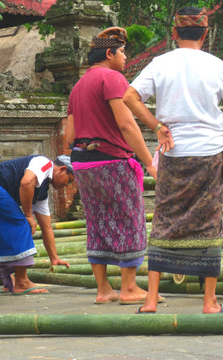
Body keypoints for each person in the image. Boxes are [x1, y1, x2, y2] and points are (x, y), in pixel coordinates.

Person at [124, 7, 223, 314]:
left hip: (173, 151)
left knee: (165, 218)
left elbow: (130, 97)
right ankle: (209, 302)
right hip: (210, 153)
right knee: (209, 221)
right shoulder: (216, 65)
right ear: (205, 34)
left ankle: (151, 299)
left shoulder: (161, 63)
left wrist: (157, 126)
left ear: (174, 33)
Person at [66, 27, 158, 305]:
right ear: (109, 53)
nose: (125, 57)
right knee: (130, 219)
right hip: (113, 163)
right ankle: (129, 288)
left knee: (97, 222)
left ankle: (103, 289)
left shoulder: (78, 86)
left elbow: (69, 137)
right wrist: (150, 163)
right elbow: (127, 124)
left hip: (83, 164)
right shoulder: (113, 78)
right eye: (122, 52)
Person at [0, 155, 72, 294]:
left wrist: (54, 258)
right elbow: (26, 182)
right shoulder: (45, 164)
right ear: (62, 169)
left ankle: (9, 281)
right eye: (69, 180)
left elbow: (46, 227)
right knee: (21, 224)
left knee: (0, 231)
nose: (67, 185)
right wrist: (28, 215)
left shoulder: (41, 193)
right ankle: (22, 282)